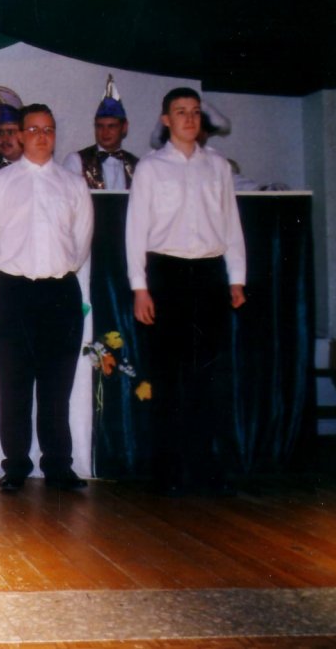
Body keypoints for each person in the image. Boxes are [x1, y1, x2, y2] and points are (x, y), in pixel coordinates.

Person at [127, 87, 246, 497]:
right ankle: (168, 471)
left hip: (209, 276)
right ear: (166, 120)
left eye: (195, 112)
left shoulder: (218, 166)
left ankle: (204, 468)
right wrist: (140, 288)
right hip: (167, 274)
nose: (190, 119)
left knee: (207, 377)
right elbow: (135, 232)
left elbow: (230, 225)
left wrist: (236, 277)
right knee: (168, 377)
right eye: (181, 112)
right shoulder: (150, 168)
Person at [0, 103, 93, 493]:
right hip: (14, 292)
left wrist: (56, 272)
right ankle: (16, 466)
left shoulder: (73, 185)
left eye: (49, 130)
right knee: (15, 385)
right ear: (21, 136)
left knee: (57, 386)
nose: (42, 136)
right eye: (34, 129)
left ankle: (58, 465)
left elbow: (81, 243)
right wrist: (12, 276)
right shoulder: (0, 183)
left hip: (60, 293)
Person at [62, 74, 139, 191]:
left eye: (111, 126)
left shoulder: (137, 165)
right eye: (99, 126)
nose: (105, 132)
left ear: (124, 127)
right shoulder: (77, 161)